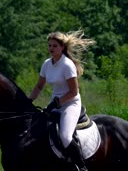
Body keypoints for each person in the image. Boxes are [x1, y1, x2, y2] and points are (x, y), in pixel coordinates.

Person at [29, 30, 95, 171]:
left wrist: (58, 102)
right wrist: (28, 101)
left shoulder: (67, 65)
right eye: (49, 45)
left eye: (55, 46)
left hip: (70, 104)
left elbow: (74, 92)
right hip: (55, 103)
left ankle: (81, 167)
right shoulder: (46, 64)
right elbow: (39, 86)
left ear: (62, 48)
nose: (51, 48)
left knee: (65, 137)